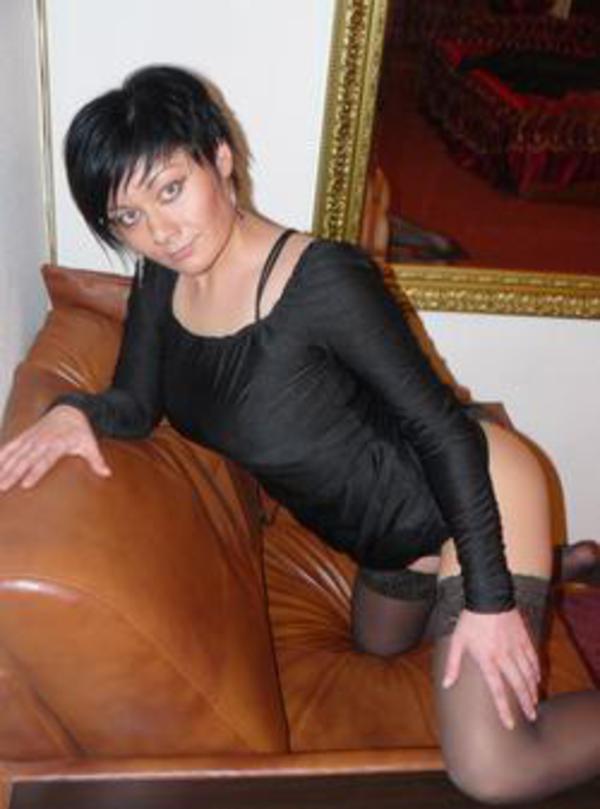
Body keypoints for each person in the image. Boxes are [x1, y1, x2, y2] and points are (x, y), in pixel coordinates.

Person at [0, 65, 599, 803]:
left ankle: (524, 563)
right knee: (377, 646)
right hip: (385, 540)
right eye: (128, 217)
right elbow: (136, 402)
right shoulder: (161, 280)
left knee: (494, 767)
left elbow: (440, 428)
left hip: (472, 487)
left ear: (221, 157)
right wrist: (74, 411)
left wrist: (490, 598)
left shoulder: (324, 280)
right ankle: (560, 563)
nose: (160, 232)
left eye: (170, 189)